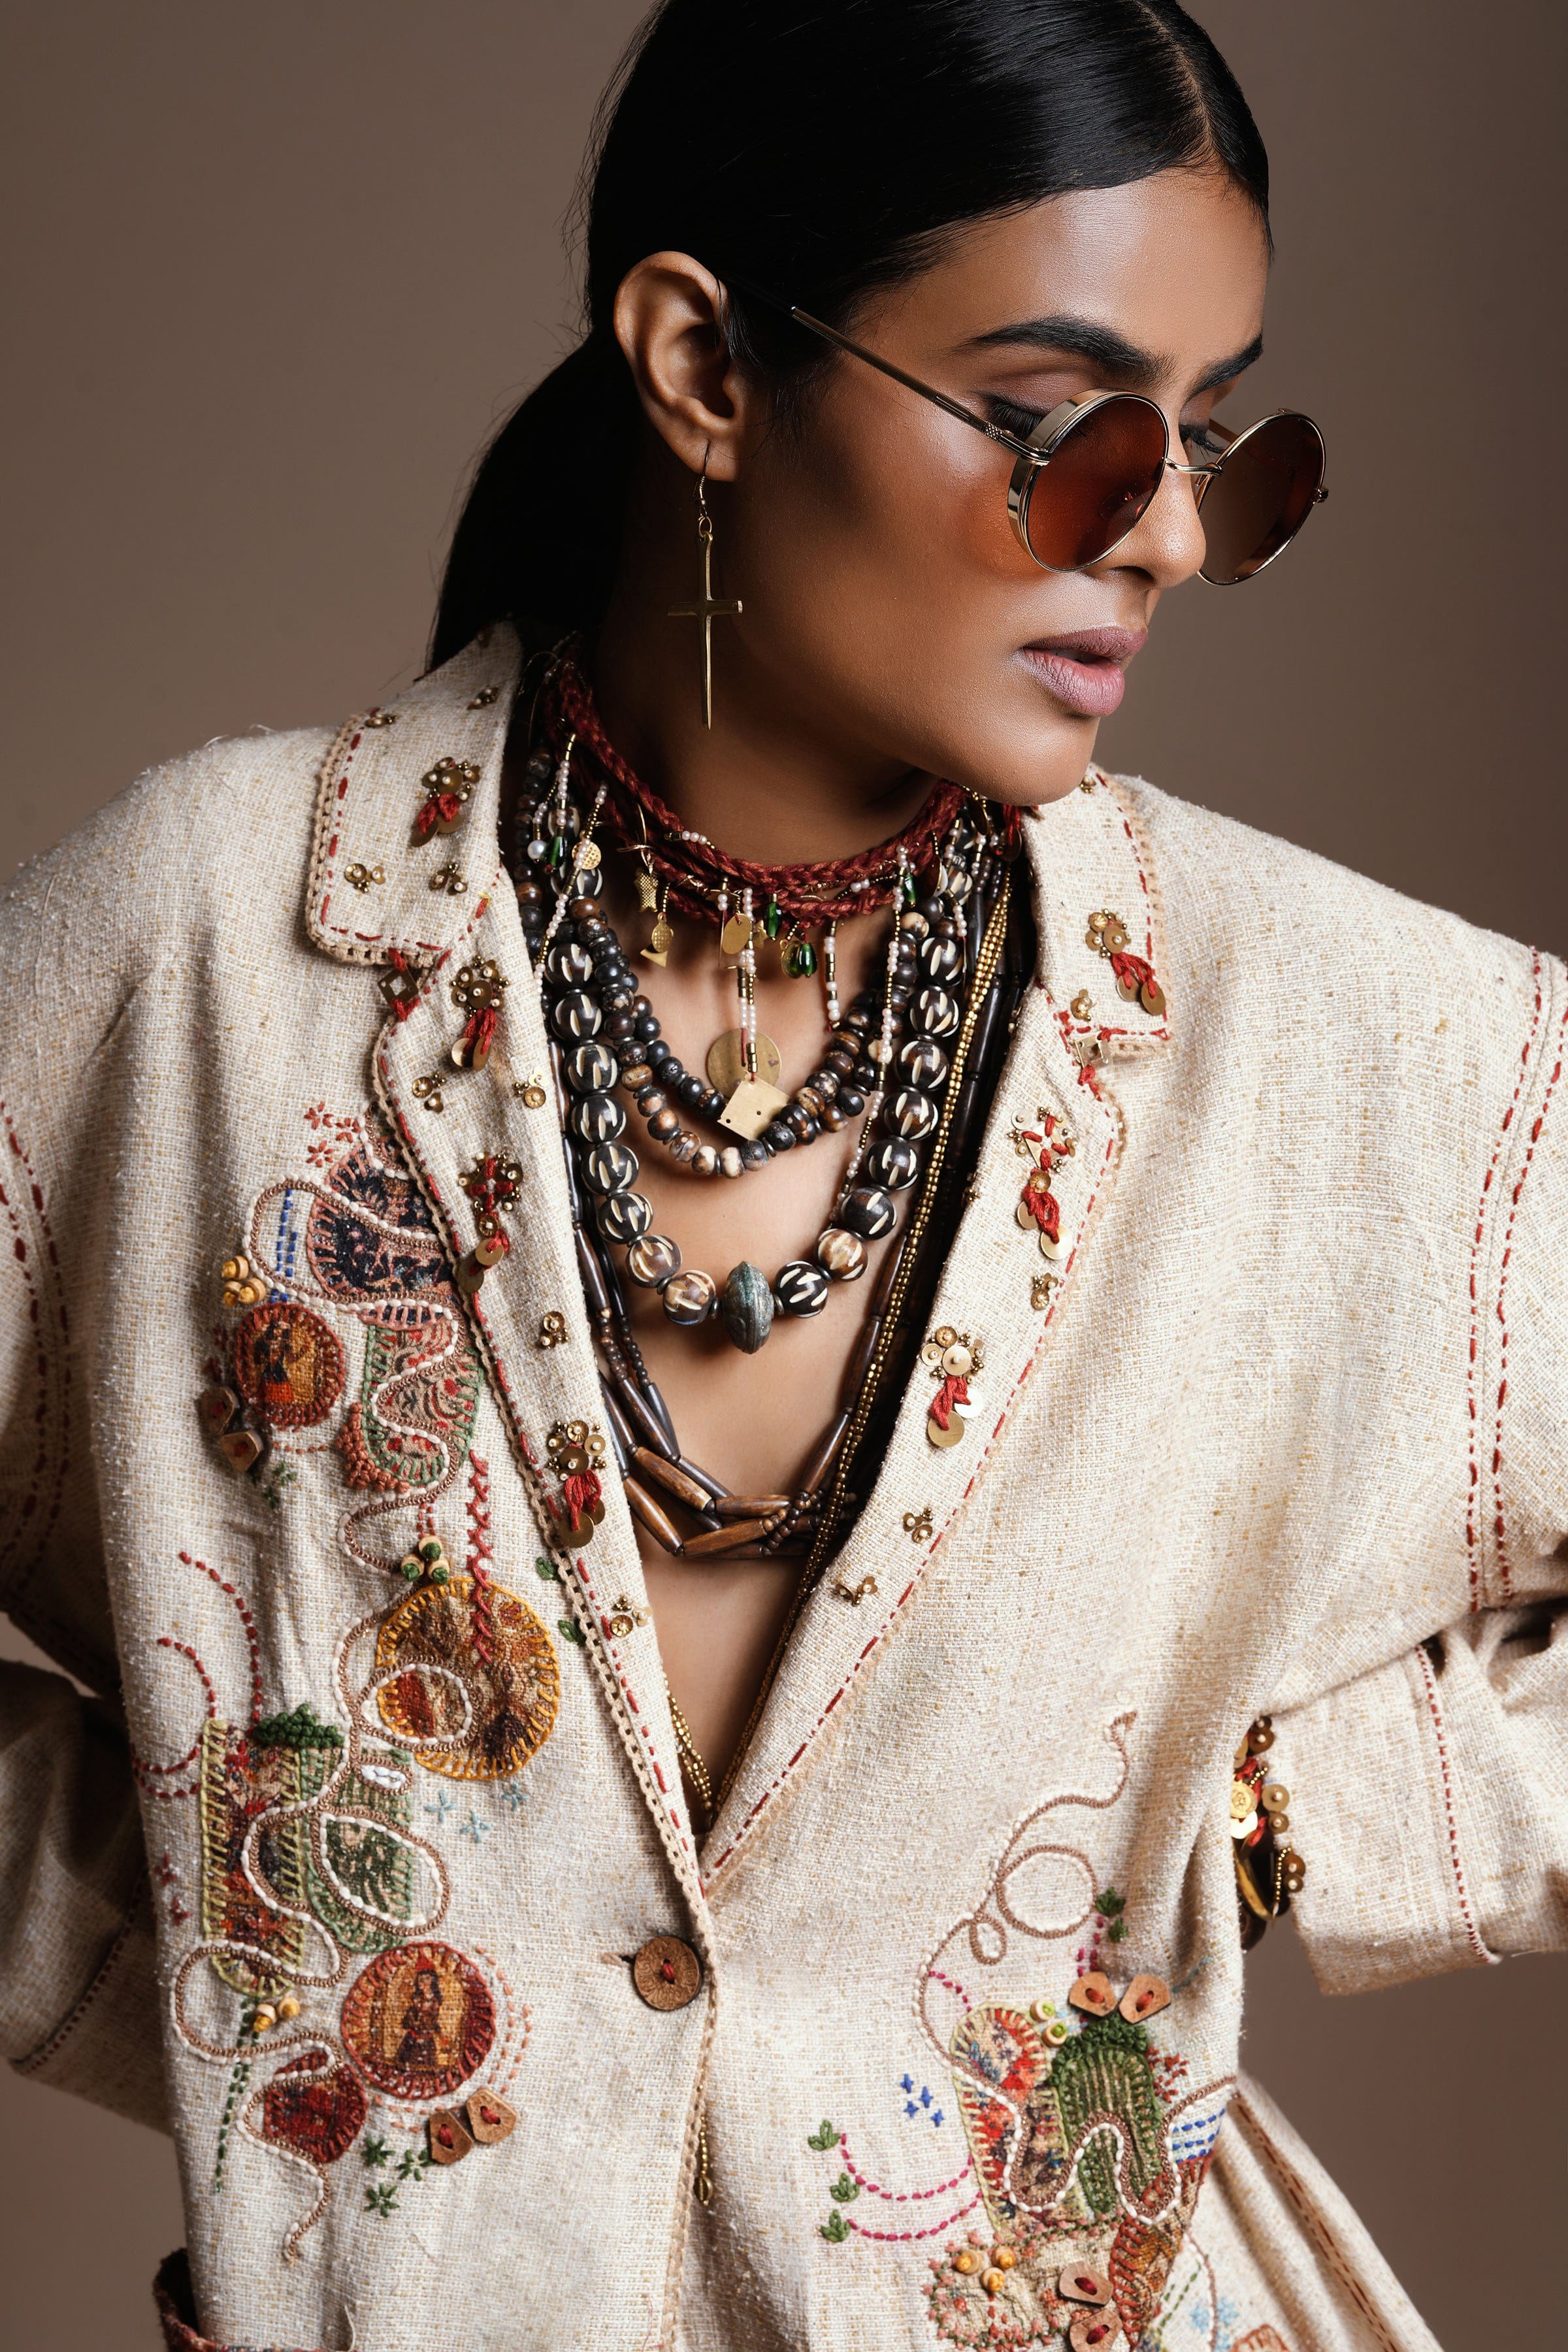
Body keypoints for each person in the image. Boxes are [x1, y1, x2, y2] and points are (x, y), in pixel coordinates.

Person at [0, 3, 1561, 2347]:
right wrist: (273, 1969)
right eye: (1060, 427)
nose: (1163, 534)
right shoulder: (213, 948)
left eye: (1218, 446)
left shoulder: (1345, 1049)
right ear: (707, 365)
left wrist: (1302, 1827)